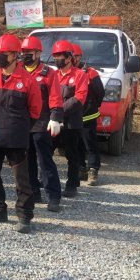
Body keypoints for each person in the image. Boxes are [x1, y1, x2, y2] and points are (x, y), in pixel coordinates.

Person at [0, 34, 42, 234]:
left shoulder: (28, 81)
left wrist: (19, 126)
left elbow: (35, 110)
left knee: (21, 180)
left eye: (4, 54)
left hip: (16, 137)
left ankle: (24, 216)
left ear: (15, 55)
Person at [20, 36, 64, 212]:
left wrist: (56, 117)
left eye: (28, 53)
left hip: (41, 124)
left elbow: (55, 97)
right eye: (23, 53)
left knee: (45, 161)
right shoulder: (18, 71)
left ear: (38, 53)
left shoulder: (48, 73)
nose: (25, 56)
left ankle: (53, 196)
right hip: (23, 124)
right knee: (26, 161)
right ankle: (33, 191)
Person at [51, 40, 89, 197]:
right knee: (47, 150)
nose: (58, 59)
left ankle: (72, 184)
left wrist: (59, 110)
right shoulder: (53, 75)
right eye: (55, 56)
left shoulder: (80, 75)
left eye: (61, 56)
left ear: (69, 58)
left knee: (72, 155)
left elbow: (79, 98)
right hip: (54, 120)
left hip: (71, 122)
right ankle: (47, 180)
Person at [72, 43, 105, 186]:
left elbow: (100, 93)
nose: (74, 59)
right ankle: (81, 169)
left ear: (81, 57)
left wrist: (92, 106)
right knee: (77, 145)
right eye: (72, 56)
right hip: (73, 117)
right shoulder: (66, 73)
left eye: (77, 56)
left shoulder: (91, 73)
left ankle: (93, 170)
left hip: (88, 116)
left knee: (90, 144)